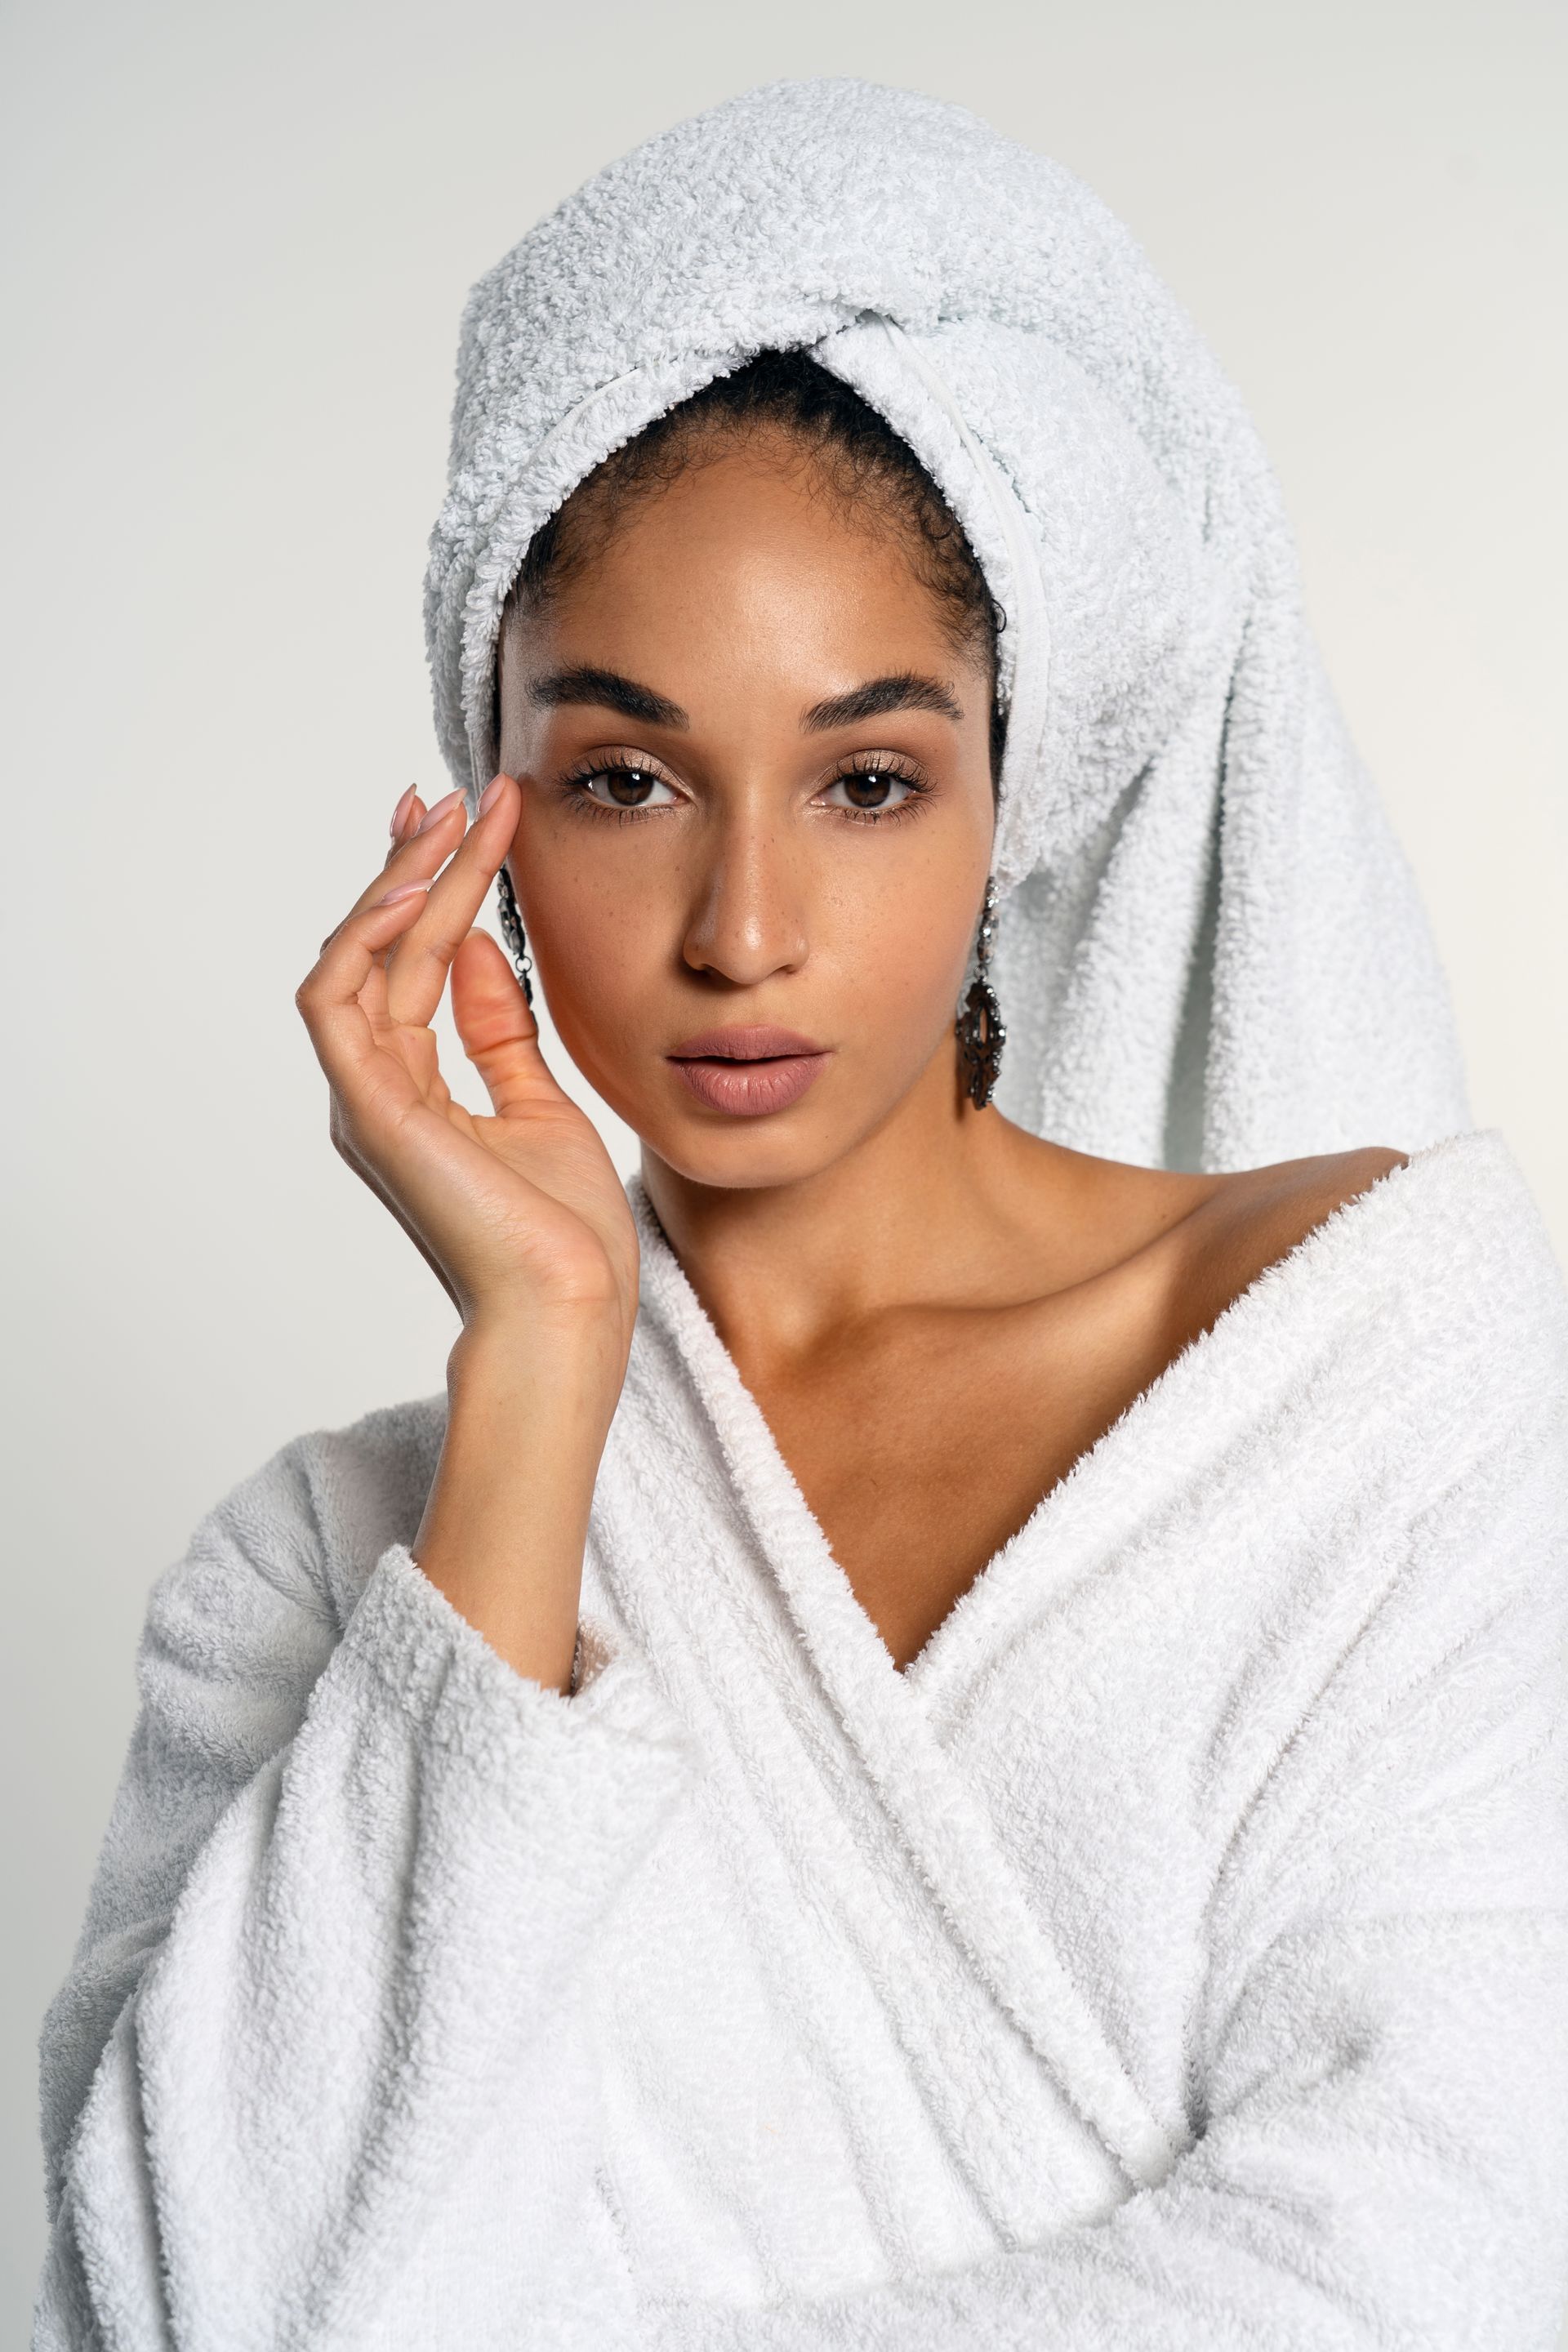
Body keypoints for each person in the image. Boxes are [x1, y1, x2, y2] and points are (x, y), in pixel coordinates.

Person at [32, 79, 1568, 2352]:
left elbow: (1454, 2253)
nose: (746, 925)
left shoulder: (1406, 1368)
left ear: (1004, 809)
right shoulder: (315, 1583)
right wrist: (547, 1363)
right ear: (489, 829)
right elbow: (194, 2309)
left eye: (865, 781)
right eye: (628, 779)